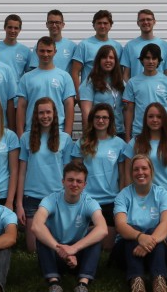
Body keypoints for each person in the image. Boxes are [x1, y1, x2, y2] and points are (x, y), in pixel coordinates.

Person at [30, 161, 109, 292]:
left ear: (85, 185)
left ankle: (83, 284)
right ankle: (53, 283)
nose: (74, 184)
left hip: (79, 255)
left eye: (79, 181)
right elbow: (36, 226)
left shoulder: (90, 203)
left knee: (96, 235)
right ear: (63, 181)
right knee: (41, 233)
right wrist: (61, 250)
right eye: (70, 180)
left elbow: (103, 229)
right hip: (55, 253)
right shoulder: (50, 200)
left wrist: (73, 249)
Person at [18, 97, 77, 252]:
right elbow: (22, 172)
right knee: (33, 249)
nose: (45, 116)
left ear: (55, 114)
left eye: (48, 112)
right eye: (41, 113)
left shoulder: (65, 139)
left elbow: (68, 173)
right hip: (32, 198)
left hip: (57, 198)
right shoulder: (26, 138)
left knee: (59, 244)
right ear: (35, 115)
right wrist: (19, 204)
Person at [124, 103, 167, 247]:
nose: (155, 120)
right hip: (140, 200)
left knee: (166, 247)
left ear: (164, 119)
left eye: (159, 116)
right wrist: (128, 199)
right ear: (145, 119)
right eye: (151, 116)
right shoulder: (136, 142)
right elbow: (127, 173)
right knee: (138, 242)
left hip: (166, 200)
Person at [114, 154, 167, 292]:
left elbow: (166, 223)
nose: (140, 172)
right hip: (127, 251)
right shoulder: (123, 196)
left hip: (157, 251)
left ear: (151, 171)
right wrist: (139, 237)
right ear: (131, 173)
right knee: (132, 230)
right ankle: (137, 282)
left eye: (144, 168)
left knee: (153, 232)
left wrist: (147, 240)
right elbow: (121, 226)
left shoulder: (163, 194)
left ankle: (159, 282)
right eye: (136, 169)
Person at [72, 103, 127, 252]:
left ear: (110, 121)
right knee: (91, 243)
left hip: (111, 200)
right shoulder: (82, 143)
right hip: (88, 200)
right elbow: (76, 174)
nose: (101, 121)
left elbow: (123, 175)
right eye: (97, 117)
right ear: (91, 119)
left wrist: (122, 199)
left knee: (107, 246)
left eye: (104, 117)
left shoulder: (119, 144)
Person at [17, 36, 78, 136]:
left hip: (58, 131)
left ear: (55, 51)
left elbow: (69, 106)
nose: (45, 54)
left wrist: (67, 134)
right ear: (36, 52)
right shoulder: (26, 78)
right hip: (32, 131)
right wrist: (20, 134)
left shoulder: (65, 77)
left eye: (49, 51)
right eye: (42, 51)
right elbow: (21, 107)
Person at [123, 43, 167, 140]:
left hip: (162, 133)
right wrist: (128, 136)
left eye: (154, 58)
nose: (150, 61)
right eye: (147, 58)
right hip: (139, 133)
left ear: (159, 61)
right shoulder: (132, 82)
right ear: (142, 60)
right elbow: (129, 110)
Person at [71, 10, 122, 95]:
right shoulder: (84, 45)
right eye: (99, 23)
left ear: (110, 26)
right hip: (89, 94)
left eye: (105, 23)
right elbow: (75, 72)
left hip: (112, 95)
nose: (102, 26)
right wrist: (78, 93)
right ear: (94, 26)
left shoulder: (118, 47)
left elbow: (120, 72)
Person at [78, 44, 126, 133]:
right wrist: (88, 136)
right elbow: (86, 114)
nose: (108, 60)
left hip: (119, 133)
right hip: (98, 134)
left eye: (111, 58)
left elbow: (127, 110)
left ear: (116, 61)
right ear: (98, 60)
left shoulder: (121, 83)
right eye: (104, 57)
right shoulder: (90, 83)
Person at [121, 9, 167, 81]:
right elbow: (126, 75)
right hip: (137, 90)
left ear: (154, 22)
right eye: (142, 20)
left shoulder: (165, 46)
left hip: (159, 91)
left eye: (148, 19)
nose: (146, 22)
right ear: (138, 23)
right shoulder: (130, 46)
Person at [0, 14, 34, 82]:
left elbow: (31, 75)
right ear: (5, 28)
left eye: (16, 28)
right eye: (10, 27)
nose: (13, 31)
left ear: (20, 30)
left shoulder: (26, 51)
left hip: (17, 91)